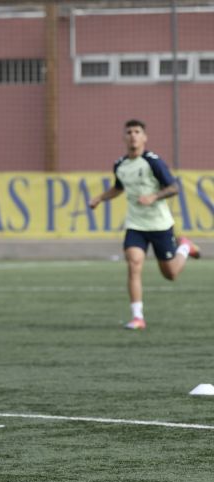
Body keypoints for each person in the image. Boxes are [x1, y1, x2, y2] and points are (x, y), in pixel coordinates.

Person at [89, 119, 200, 330]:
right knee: (134, 264)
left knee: (171, 274)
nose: (133, 135)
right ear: (124, 137)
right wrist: (100, 198)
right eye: (129, 132)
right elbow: (118, 188)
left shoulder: (153, 162)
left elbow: (174, 188)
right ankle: (137, 317)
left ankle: (184, 246)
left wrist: (154, 196)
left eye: (137, 131)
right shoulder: (120, 164)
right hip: (135, 225)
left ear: (144, 137)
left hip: (160, 225)